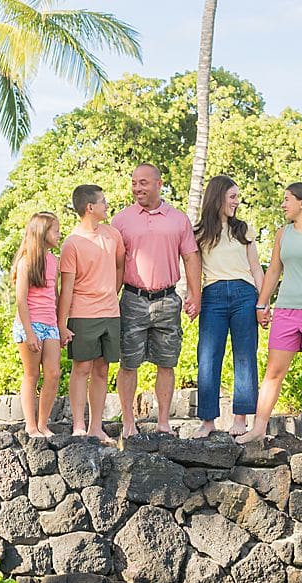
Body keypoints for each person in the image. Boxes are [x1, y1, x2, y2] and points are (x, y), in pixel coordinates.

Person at [241, 183, 302, 451]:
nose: (283, 204)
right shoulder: (282, 234)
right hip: (285, 310)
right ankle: (258, 428)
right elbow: (273, 270)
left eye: (287, 200)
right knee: (273, 371)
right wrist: (261, 305)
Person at [112, 164, 201, 438]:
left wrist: (195, 295)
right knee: (129, 362)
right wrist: (109, 299)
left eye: (143, 183)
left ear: (159, 184)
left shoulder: (178, 219)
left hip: (168, 299)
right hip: (132, 298)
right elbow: (114, 264)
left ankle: (164, 422)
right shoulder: (121, 220)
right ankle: (128, 422)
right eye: (134, 183)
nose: (138, 188)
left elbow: (190, 257)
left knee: (167, 362)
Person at [193, 174, 262, 439]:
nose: (236, 201)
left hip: (245, 294)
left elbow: (256, 267)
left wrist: (262, 302)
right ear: (218, 196)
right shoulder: (199, 232)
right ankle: (208, 420)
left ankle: (241, 418)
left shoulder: (243, 229)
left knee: (245, 355)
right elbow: (194, 271)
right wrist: (193, 300)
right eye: (232, 196)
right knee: (208, 356)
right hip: (213, 295)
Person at [58, 184, 124, 444]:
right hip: (83, 314)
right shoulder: (72, 244)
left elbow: (120, 266)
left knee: (102, 368)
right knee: (82, 367)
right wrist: (62, 324)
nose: (107, 205)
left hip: (110, 313)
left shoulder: (113, 235)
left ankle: (96, 426)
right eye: (103, 201)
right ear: (90, 207)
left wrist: (112, 293)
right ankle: (78, 425)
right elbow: (67, 288)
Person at [11, 211, 62, 438]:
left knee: (53, 373)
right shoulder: (26, 262)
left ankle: (43, 424)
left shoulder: (54, 261)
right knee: (31, 375)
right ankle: (30, 425)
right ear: (42, 233)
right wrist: (30, 333)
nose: (59, 234)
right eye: (55, 230)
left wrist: (61, 325)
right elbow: (21, 300)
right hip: (29, 325)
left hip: (50, 325)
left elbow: (55, 295)